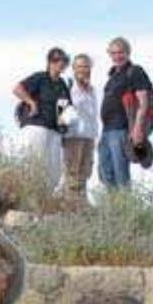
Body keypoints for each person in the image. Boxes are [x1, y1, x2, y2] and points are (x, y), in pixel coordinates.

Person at [99, 36, 153, 191]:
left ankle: (124, 209)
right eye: (114, 53)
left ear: (128, 53)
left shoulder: (135, 71)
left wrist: (137, 129)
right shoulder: (112, 76)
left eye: (121, 52)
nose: (117, 56)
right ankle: (113, 209)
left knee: (120, 173)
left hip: (122, 130)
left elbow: (144, 102)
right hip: (106, 131)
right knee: (105, 173)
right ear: (110, 54)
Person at [12, 47, 71, 193]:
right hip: (37, 125)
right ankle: (30, 195)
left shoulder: (62, 84)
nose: (60, 64)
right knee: (35, 162)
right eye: (56, 60)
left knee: (54, 169)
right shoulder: (40, 78)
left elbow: (64, 106)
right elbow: (17, 88)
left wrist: (63, 128)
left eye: (63, 61)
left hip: (54, 130)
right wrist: (31, 102)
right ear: (50, 62)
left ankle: (45, 197)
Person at [60, 53, 100, 202]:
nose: (83, 70)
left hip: (89, 136)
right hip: (73, 136)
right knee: (72, 172)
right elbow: (61, 112)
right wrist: (63, 132)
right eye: (80, 66)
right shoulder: (68, 87)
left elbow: (93, 114)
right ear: (74, 69)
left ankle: (80, 204)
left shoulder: (92, 90)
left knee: (85, 172)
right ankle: (71, 205)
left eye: (86, 66)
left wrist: (95, 136)